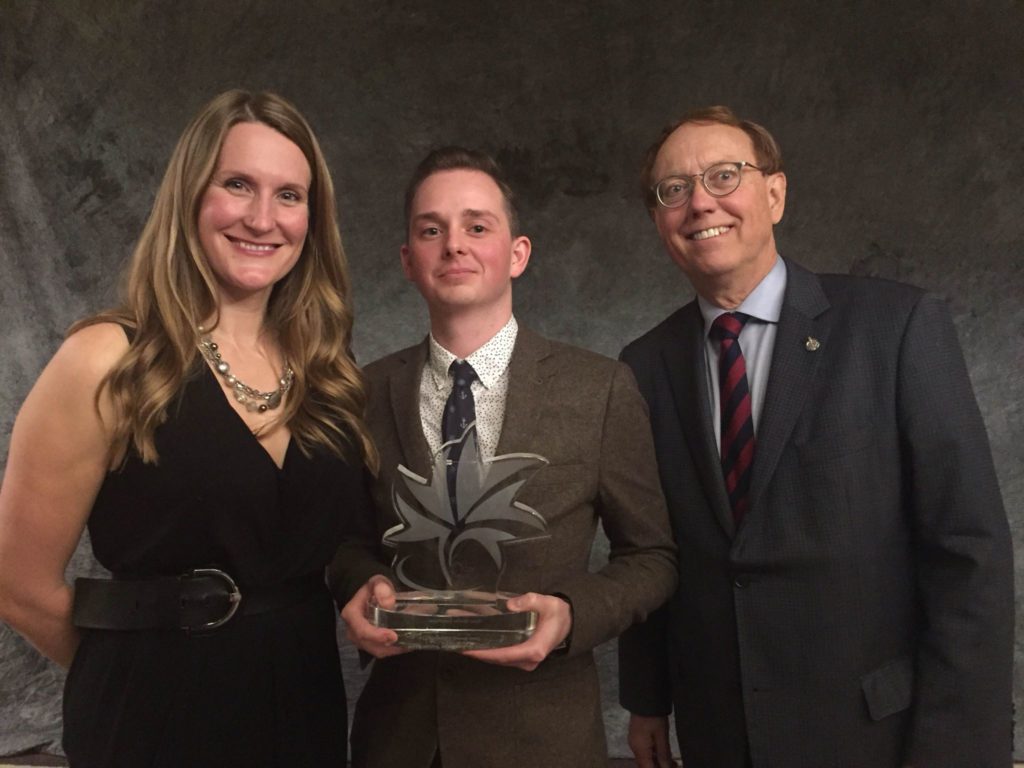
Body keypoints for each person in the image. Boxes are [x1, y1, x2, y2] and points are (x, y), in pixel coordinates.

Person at [617, 105, 1014, 768]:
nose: (698, 203)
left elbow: (968, 553)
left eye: (723, 176)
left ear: (774, 194)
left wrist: (959, 750)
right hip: (719, 733)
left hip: (877, 733)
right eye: (673, 190)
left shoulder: (897, 328)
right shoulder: (644, 365)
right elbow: (650, 544)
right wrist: (647, 699)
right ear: (659, 221)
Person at [0, 89, 377, 766]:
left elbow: (339, 538)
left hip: (305, 710)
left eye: (290, 196)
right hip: (150, 719)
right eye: (237, 185)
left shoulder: (327, 366)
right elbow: (17, 584)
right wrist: (129, 669)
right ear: (189, 198)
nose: (263, 218)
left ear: (312, 220)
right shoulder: (105, 359)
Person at [328, 146, 678, 768]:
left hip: (543, 739)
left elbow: (651, 557)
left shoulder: (599, 389)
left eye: (477, 226)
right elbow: (345, 541)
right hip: (400, 739)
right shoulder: (364, 391)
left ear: (517, 253)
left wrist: (571, 617)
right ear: (408, 260)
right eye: (431, 229)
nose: (454, 245)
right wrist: (359, 584)